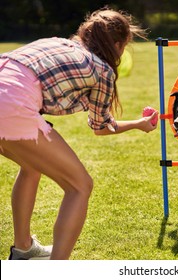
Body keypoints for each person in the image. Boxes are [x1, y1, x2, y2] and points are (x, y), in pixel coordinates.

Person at [0, 7, 157, 260]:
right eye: (124, 46)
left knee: (31, 166)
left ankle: (23, 249)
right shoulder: (102, 70)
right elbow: (101, 127)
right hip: (11, 106)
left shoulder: (57, 42)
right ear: (117, 45)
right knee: (80, 186)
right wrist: (139, 123)